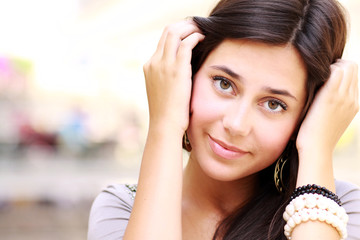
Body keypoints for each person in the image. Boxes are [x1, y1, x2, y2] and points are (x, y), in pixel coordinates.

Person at [88, 0, 360, 239]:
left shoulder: (339, 211)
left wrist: (316, 149)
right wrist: (165, 124)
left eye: (274, 104)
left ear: (306, 116)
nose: (236, 124)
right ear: (189, 74)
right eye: (224, 83)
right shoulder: (121, 208)